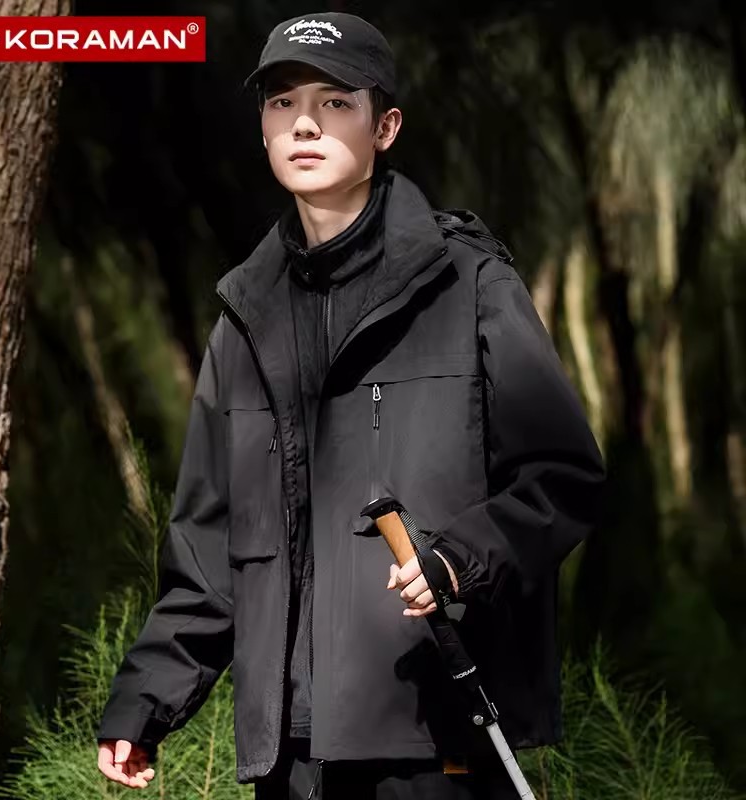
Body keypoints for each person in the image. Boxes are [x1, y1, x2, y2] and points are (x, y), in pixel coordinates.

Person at [95, 11, 606, 798]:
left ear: (385, 127)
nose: (304, 124)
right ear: (263, 128)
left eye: (334, 102)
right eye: (282, 103)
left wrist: (458, 559)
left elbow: (561, 477)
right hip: (290, 757)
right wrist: (145, 701)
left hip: (435, 741)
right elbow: (210, 547)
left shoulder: (470, 285)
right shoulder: (244, 319)